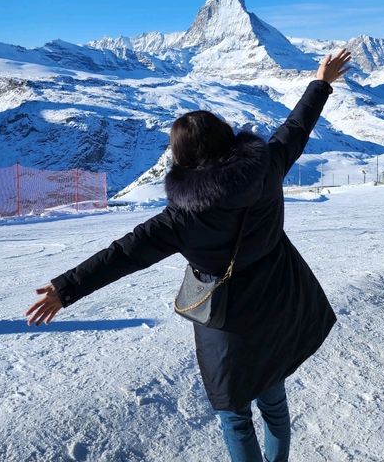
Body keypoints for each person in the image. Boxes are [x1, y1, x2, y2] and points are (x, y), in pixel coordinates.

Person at [25, 49, 351, 462]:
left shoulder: (178, 220)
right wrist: (321, 81)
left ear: (183, 159)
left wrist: (66, 288)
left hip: (227, 319)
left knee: (235, 414)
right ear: (228, 139)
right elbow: (297, 125)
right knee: (272, 391)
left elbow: (123, 255)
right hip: (281, 298)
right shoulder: (268, 165)